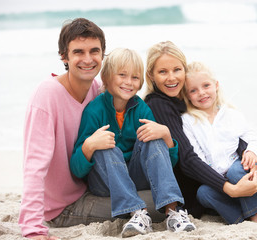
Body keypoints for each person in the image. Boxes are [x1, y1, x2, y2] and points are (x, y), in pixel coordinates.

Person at [143, 41, 257, 223]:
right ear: (151, 75)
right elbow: (188, 159)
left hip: (235, 168)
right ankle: (255, 210)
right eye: (162, 72)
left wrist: (249, 156)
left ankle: (253, 202)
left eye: (176, 70)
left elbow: (240, 136)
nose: (172, 78)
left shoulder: (202, 106)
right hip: (212, 184)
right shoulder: (168, 108)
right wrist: (232, 188)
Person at [70, 48, 196, 238]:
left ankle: (173, 212)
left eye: (135, 77)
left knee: (153, 138)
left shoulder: (141, 108)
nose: (128, 82)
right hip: (105, 181)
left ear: (140, 83)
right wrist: (89, 146)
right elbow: (77, 170)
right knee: (105, 146)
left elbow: (166, 163)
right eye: (122, 75)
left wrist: (166, 136)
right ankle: (137, 213)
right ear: (106, 77)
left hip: (137, 176)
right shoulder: (94, 111)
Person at [19, 18, 112, 240]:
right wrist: (33, 231)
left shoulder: (96, 90)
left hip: (89, 188)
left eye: (94, 51)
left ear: (103, 54)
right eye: (78, 52)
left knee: (163, 195)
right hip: (63, 208)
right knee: (155, 205)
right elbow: (34, 166)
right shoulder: (47, 95)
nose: (88, 59)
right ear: (64, 56)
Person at [182, 61, 257, 223]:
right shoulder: (188, 120)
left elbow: (253, 137)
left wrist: (252, 151)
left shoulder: (231, 114)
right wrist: (219, 181)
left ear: (216, 85)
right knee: (203, 193)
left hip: (239, 170)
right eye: (193, 90)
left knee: (235, 171)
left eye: (206, 86)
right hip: (217, 180)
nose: (202, 93)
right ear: (187, 96)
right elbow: (197, 157)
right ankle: (247, 217)